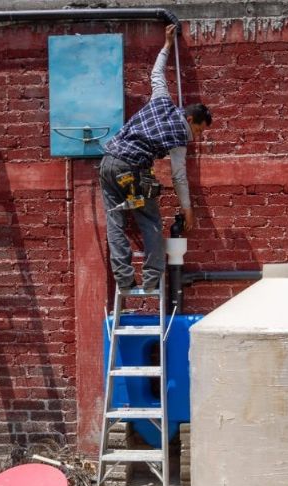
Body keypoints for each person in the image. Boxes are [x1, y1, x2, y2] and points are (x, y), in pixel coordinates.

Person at [99, 24, 212, 292]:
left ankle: (124, 279)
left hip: (108, 163)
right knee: (149, 221)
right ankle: (151, 281)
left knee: (115, 222)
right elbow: (178, 176)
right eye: (198, 129)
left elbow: (156, 74)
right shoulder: (180, 139)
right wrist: (187, 208)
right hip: (133, 172)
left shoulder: (162, 100)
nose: (196, 135)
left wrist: (166, 45)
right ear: (190, 118)